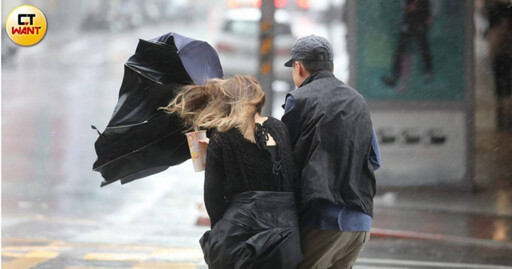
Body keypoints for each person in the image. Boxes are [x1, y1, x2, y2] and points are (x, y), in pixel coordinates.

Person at [162, 75, 302, 269]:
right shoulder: (279, 128)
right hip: (286, 237)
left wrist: (220, 233)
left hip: (242, 237)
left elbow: (213, 196)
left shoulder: (223, 135)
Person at [282, 35, 381, 269]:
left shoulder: (298, 100)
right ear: (333, 67)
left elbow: (283, 161)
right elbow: (374, 159)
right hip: (359, 222)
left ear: (298, 67)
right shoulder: (358, 101)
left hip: (320, 218)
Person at [382, 0, 434, 87]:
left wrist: (431, 15)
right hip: (410, 19)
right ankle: (395, 76)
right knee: (401, 48)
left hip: (420, 18)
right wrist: (408, 7)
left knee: (423, 47)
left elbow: (434, 4)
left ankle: (428, 72)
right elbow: (403, 4)